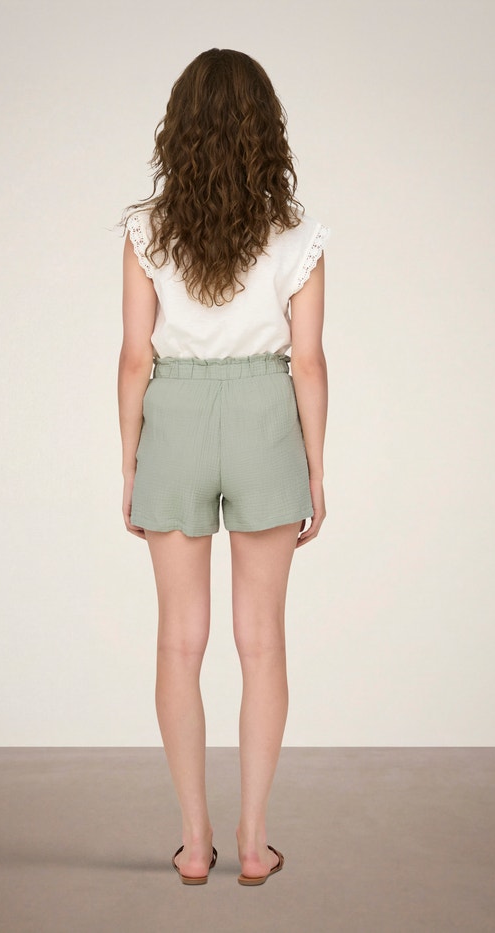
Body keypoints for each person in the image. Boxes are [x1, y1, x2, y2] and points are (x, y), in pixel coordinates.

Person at [117, 48, 329, 886]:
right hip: (265, 417)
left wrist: (129, 461)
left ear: (180, 129)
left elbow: (135, 357)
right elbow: (307, 362)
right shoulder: (299, 234)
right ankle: (253, 840)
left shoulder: (146, 230)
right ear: (264, 130)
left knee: (179, 639)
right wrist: (316, 470)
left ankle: (195, 842)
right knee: (262, 639)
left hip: (173, 415)